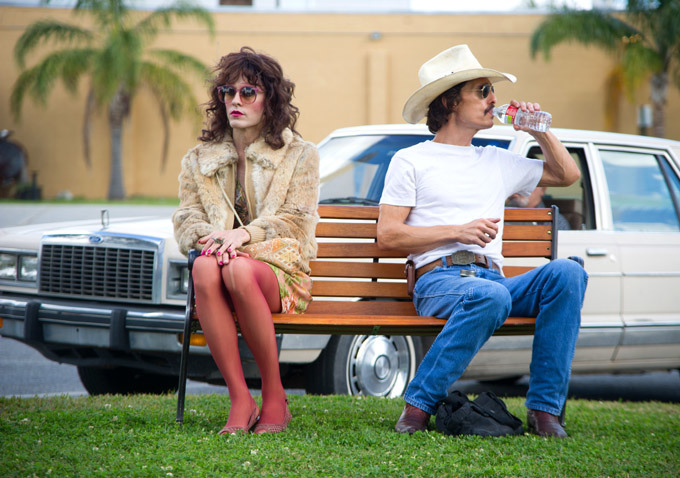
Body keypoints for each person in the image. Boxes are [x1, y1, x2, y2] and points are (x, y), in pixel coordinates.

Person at [377, 44, 588, 438]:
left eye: (493, 91)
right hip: (439, 280)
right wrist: (456, 231)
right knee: (491, 296)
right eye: (483, 91)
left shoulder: (495, 159)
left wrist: (539, 131)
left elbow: (566, 175)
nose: (494, 100)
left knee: (567, 274)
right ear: (450, 101)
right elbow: (388, 235)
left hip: (494, 282)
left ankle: (545, 412)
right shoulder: (411, 160)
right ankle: (418, 406)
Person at [172, 47, 319, 435]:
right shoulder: (199, 159)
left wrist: (242, 236)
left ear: (270, 99)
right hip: (220, 268)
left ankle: (274, 396)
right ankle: (240, 399)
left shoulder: (299, 155)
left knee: (237, 269)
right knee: (206, 267)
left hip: (280, 272)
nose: (236, 100)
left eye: (248, 92)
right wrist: (213, 239)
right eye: (228, 92)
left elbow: (297, 222)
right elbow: (187, 218)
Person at [507, 186, 572, 230]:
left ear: (543, 189)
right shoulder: (503, 214)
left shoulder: (554, 221)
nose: (518, 190)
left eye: (527, 184)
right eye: (516, 185)